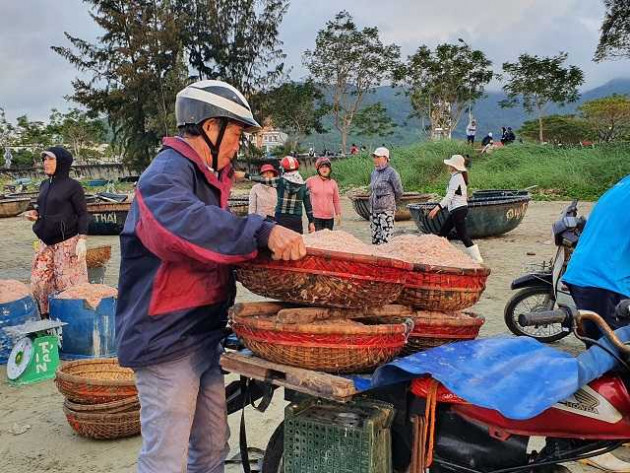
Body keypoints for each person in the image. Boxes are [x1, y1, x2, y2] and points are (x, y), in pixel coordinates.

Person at [115, 80, 306, 473]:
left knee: (210, 448)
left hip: (202, 333)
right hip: (164, 339)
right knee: (165, 459)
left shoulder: (206, 175)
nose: (238, 145)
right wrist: (260, 231)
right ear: (209, 127)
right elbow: (185, 225)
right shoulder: (166, 174)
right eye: (235, 133)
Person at [563, 175, 630, 341]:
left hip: (584, 275)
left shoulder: (623, 184)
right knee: (615, 355)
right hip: (607, 282)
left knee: (599, 350)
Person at [28, 146, 89, 317]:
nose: (46, 163)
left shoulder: (73, 186)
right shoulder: (44, 184)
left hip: (67, 241)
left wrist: (82, 239)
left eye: (50, 159)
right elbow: (42, 207)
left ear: (61, 162)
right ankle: (46, 315)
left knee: (66, 283)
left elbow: (83, 214)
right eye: (44, 159)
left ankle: (73, 318)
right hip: (45, 241)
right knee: (40, 280)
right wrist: (35, 214)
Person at [429, 154, 483, 263]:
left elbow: (449, 196)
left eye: (449, 165)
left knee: (462, 235)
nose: (448, 166)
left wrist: (437, 208)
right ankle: (438, 255)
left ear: (453, 167)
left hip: (458, 210)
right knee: (442, 234)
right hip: (457, 210)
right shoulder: (458, 176)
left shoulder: (457, 177)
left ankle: (478, 259)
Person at [248, 155, 315, 234]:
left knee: (280, 243)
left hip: (280, 219)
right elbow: (308, 206)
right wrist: (311, 221)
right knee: (294, 242)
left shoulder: (279, 183)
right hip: (294, 219)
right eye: (265, 173)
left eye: (270, 173)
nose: (267, 175)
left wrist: (246, 176)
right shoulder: (303, 185)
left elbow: (261, 180)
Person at [369, 147, 403, 245]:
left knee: (385, 239)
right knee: (375, 239)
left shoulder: (392, 173)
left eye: (377, 157)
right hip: (374, 209)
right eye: (374, 157)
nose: (375, 159)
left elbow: (399, 191)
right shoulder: (374, 173)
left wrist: (390, 201)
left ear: (385, 158)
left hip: (386, 211)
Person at [306, 157, 342, 231]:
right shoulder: (311, 181)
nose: (324, 169)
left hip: (329, 218)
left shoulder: (333, 183)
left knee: (327, 241)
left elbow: (336, 200)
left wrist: (338, 214)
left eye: (326, 167)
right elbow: (300, 190)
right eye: (322, 167)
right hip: (315, 217)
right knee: (316, 240)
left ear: (330, 169)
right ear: (318, 169)